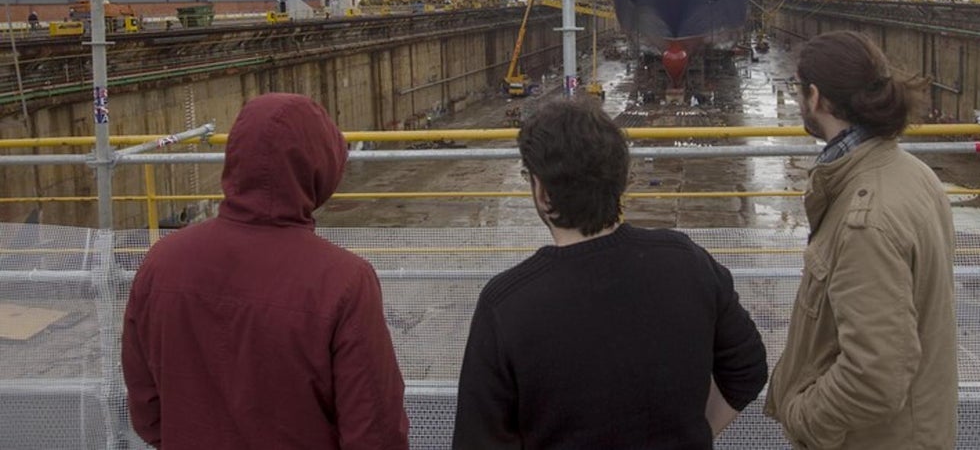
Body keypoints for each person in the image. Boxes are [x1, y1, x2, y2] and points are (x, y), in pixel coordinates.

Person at [453, 97, 768, 449]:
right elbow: (748, 370)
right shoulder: (689, 262)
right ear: (622, 180)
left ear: (542, 192)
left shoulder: (505, 304)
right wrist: (697, 434)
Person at [121, 93, 409, 450]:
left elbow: (147, 410)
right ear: (322, 166)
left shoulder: (160, 262)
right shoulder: (345, 282)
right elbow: (375, 435)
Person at [764, 30, 957, 449]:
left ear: (816, 98)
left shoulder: (864, 220)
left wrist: (801, 416)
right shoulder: (912, 172)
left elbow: (875, 375)